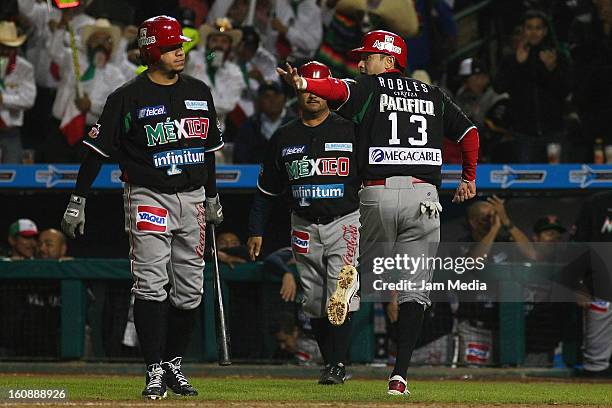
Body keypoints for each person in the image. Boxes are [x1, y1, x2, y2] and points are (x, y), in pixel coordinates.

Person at [277, 30, 479, 395]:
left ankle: (336, 362)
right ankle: (399, 376)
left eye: (368, 56)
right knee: (415, 291)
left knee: (352, 276)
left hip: (378, 196)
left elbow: (336, 90)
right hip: (425, 198)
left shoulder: (371, 88)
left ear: (389, 61)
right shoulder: (433, 94)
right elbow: (469, 133)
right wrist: (469, 177)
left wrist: (305, 81)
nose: (361, 63)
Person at [60, 15, 224, 399]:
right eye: (170, 47)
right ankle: (153, 368)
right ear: (151, 51)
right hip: (148, 195)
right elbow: (96, 151)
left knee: (189, 292)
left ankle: (173, 364)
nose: (178, 52)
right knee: (151, 284)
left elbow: (210, 153)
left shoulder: (200, 91)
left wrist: (213, 196)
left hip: (193, 197)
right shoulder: (126, 96)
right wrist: (77, 199)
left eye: (179, 45)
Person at [248, 61, 360, 385]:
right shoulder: (284, 136)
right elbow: (266, 189)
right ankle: (332, 363)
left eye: (319, 87)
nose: (312, 94)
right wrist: (256, 228)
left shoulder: (350, 129)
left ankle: (337, 366)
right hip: (303, 224)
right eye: (306, 87)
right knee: (313, 303)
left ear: (330, 91)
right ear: (298, 91)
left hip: (344, 221)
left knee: (341, 292)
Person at [493, 9, 571, 163]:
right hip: (524, 134)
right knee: (526, 183)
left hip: (554, 132)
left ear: (545, 31)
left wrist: (551, 69)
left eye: (538, 28)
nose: (534, 32)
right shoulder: (511, 58)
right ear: (523, 30)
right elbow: (499, 87)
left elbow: (566, 90)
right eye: (529, 27)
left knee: (557, 182)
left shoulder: (557, 56)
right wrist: (518, 64)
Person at [46, 18, 127, 162]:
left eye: (106, 40)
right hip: (61, 128)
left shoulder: (116, 75)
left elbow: (117, 108)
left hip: (92, 133)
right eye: (97, 39)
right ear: (88, 42)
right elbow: (54, 51)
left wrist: (91, 106)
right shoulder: (73, 59)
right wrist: (60, 28)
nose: (101, 44)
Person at [571, 191, 612, 377]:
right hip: (600, 286)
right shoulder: (597, 203)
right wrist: (578, 283)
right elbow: (578, 245)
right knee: (596, 357)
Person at [184, 17, 245, 135]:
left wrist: (193, 104)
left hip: (214, 134)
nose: (219, 45)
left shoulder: (235, 73)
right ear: (207, 43)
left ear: (230, 47)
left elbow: (227, 105)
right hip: (185, 127)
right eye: (215, 40)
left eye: (224, 42)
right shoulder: (192, 58)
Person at [0, 21, 36, 163]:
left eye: (8, 47)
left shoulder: (24, 68)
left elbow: (28, 100)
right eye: (1, 46)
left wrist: (4, 99)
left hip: (11, 132)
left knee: (13, 176)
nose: (4, 51)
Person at [233, 81, 294, 164]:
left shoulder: (295, 123)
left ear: (284, 98)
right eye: (267, 96)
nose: (272, 100)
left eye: (276, 95)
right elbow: (240, 156)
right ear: (259, 101)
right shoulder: (249, 125)